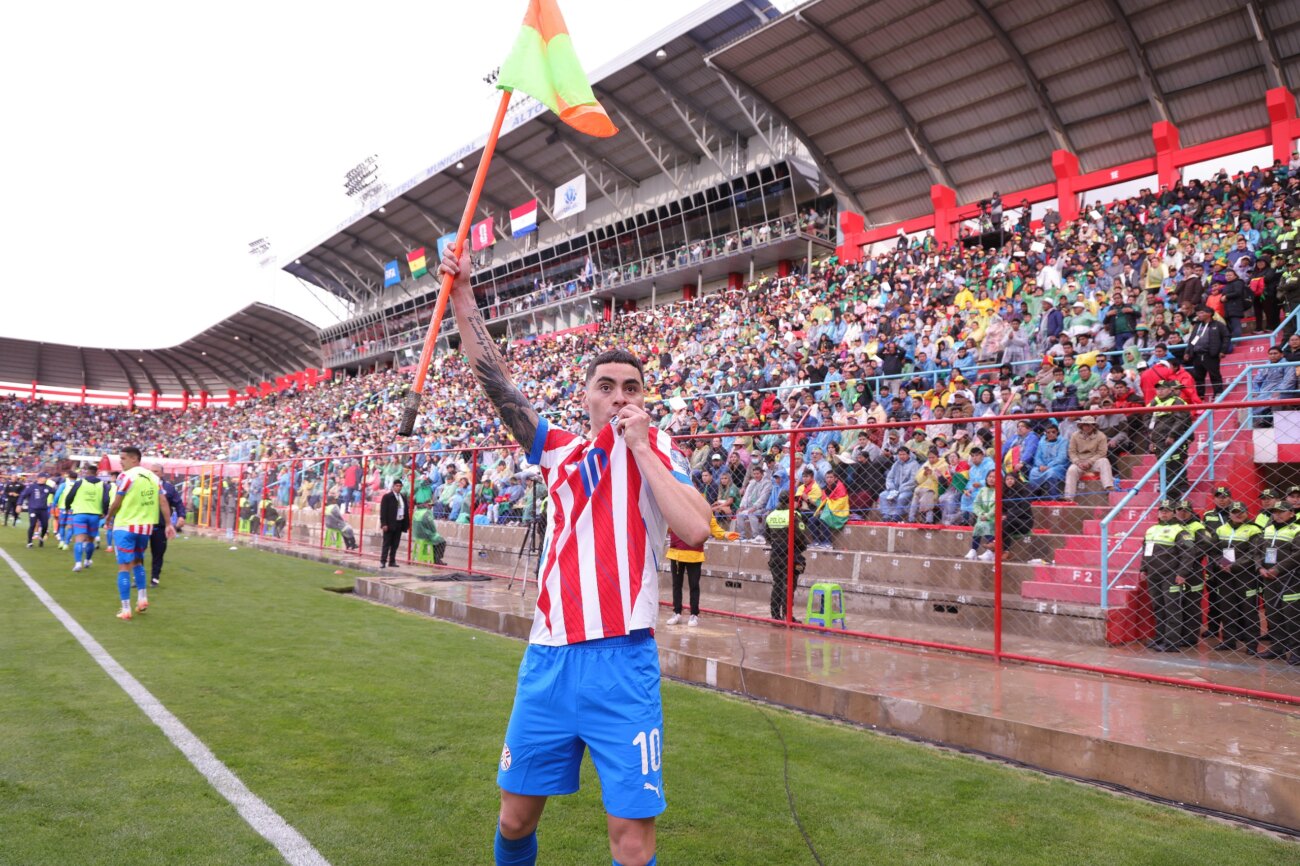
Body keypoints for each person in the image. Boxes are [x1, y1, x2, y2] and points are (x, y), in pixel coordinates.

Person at [441, 247, 711, 866]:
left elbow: (695, 530)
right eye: (607, 387)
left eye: (632, 389)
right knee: (514, 819)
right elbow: (495, 383)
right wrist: (462, 295)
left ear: (645, 400)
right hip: (550, 658)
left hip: (623, 661)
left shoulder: (661, 451)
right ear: (585, 396)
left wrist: (642, 449)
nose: (619, 398)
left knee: (633, 843)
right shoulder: (557, 450)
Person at [104, 447, 175, 621]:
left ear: (134, 459)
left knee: (123, 568)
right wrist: (168, 523)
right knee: (137, 562)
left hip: (125, 526)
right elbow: (163, 500)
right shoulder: (153, 477)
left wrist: (108, 517)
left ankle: (126, 608)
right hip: (145, 528)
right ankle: (142, 598)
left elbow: (117, 502)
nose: (120, 462)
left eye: (123, 458)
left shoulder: (126, 477)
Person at [1139, 500, 1197, 652]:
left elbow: (1188, 554)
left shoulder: (1180, 530)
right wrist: (1143, 568)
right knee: (1158, 606)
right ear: (1158, 512)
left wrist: (1182, 573)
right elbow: (1146, 550)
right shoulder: (1151, 529)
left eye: (1168, 510)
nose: (1164, 512)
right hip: (1153, 573)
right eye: (1162, 510)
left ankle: (1172, 642)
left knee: (1172, 607)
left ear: (1173, 513)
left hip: (1171, 574)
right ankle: (1160, 638)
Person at [666, 517, 737, 627]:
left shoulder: (701, 506)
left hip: (694, 553)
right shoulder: (677, 502)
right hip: (676, 552)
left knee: (694, 585)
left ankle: (694, 614)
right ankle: (677, 612)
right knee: (676, 584)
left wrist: (724, 534)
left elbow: (712, 524)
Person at [1212, 502, 1262, 653]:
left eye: (1241, 511)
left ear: (1247, 512)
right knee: (1227, 608)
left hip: (1246, 575)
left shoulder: (1254, 529)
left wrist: (1233, 566)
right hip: (1225, 575)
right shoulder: (1221, 529)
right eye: (1234, 512)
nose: (1238, 514)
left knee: (1249, 610)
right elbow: (1214, 551)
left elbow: (1253, 553)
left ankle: (1252, 645)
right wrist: (1221, 564)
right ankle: (1228, 641)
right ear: (1229, 513)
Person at [1257, 500, 1300, 663]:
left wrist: (1278, 569)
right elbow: (1257, 551)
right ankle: (1278, 648)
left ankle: (1297, 651)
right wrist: (1260, 567)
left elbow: (1297, 554)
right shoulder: (1267, 529)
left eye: (1281, 511)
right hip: (1268, 578)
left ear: (1291, 513)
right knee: (1273, 614)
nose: (1278, 514)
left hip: (1290, 579)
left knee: (1292, 616)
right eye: (1275, 512)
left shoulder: (1297, 529)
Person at [765, 490, 807, 622]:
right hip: (790, 554)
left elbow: (767, 536)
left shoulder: (771, 515)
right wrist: (800, 549)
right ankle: (787, 616)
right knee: (789, 586)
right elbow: (801, 537)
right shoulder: (793, 515)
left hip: (776, 555)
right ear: (790, 501)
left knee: (777, 584)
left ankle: (775, 615)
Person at [1146, 380, 1191, 499]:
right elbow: (1147, 418)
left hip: (1174, 439)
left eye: (1163, 389)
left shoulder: (1177, 401)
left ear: (1169, 390)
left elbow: (1181, 420)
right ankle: (1165, 486)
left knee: (1176, 461)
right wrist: (1151, 436)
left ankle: (1178, 487)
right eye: (1158, 389)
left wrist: (1172, 435)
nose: (1160, 391)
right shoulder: (1154, 402)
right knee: (1162, 462)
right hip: (1158, 439)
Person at [65, 464, 110, 572]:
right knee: (90, 540)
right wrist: (104, 512)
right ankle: (87, 560)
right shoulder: (103, 485)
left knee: (79, 539)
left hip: (80, 514)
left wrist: (67, 507)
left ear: (86, 472)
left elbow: (70, 496)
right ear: (97, 473)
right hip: (94, 515)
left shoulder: (80, 482)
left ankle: (78, 563)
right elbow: (106, 500)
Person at [1063, 416, 1116, 501]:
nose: (1086, 427)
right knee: (1071, 470)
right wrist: (1078, 462)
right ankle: (1069, 497)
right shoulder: (1075, 436)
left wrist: (1090, 461)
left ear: (1093, 426)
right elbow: (1072, 452)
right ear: (1081, 425)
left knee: (1104, 461)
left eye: (1089, 425)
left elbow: (1102, 453)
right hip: (1080, 462)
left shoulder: (1101, 436)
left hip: (1095, 461)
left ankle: (1108, 486)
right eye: (1084, 425)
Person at [150, 467, 186, 586]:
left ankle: (155, 577)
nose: (153, 473)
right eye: (151, 471)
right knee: (138, 551)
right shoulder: (144, 485)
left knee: (158, 553)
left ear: (162, 473)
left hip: (160, 526)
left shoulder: (169, 488)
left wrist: (181, 516)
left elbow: (178, 503)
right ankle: (137, 576)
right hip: (144, 525)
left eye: (155, 471)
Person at [1186, 305, 1231, 399]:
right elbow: (1192, 339)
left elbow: (1226, 337)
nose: (1199, 314)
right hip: (1197, 354)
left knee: (1214, 375)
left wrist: (1223, 350)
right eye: (1198, 313)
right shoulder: (1197, 325)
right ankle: (1200, 395)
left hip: (1211, 354)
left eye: (1201, 312)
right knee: (1198, 377)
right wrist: (1188, 351)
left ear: (1210, 314)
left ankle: (1218, 393)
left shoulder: (1218, 325)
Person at [378, 479, 410, 569]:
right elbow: (383, 511)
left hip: (399, 523)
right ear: (393, 486)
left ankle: (392, 561)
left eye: (400, 486)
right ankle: (383, 561)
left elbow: (405, 511)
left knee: (395, 544)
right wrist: (384, 523)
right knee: (386, 543)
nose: (398, 487)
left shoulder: (402, 497)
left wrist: (406, 524)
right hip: (389, 523)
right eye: (397, 486)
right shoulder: (387, 497)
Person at [19, 474, 54, 548]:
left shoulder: (48, 488)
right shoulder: (32, 487)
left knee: (45, 526)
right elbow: (23, 495)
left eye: (46, 478)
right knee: (32, 524)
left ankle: (41, 539)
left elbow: (57, 493)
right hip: (33, 509)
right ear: (39, 478)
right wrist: (19, 504)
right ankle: (29, 542)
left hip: (43, 509)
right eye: (44, 478)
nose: (45, 479)